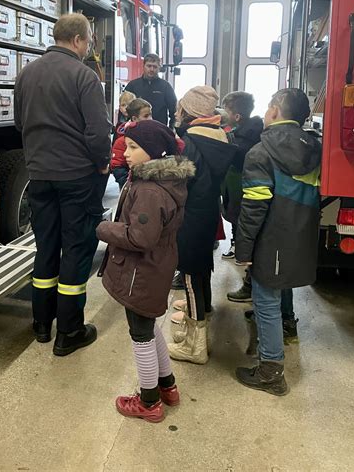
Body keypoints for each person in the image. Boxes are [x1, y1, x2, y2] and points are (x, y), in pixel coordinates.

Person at [14, 13, 111, 356]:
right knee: (76, 250)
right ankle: (69, 332)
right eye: (89, 42)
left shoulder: (25, 74)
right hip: (77, 178)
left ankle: (41, 323)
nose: (88, 48)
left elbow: (18, 121)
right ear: (78, 40)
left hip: (39, 176)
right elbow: (98, 132)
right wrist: (102, 163)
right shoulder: (85, 77)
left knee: (46, 246)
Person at [96, 120, 194, 422]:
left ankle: (149, 402)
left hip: (142, 272)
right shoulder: (154, 181)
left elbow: (141, 237)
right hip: (155, 267)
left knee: (140, 335)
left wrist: (103, 229)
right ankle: (168, 386)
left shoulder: (151, 191)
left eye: (134, 147)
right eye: (127, 145)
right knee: (148, 329)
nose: (125, 151)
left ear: (155, 153)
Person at [235, 88, 321, 395]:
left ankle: (271, 372)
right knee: (281, 284)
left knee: (265, 300)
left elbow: (254, 208)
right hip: (301, 233)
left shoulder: (260, 152)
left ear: (273, 111)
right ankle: (289, 326)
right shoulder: (315, 148)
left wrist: (243, 249)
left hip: (271, 237)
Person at [167, 86, 237, 364]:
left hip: (190, 216)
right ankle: (199, 320)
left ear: (190, 111)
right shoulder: (217, 136)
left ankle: (196, 346)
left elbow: (179, 180)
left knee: (190, 277)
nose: (175, 112)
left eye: (180, 107)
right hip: (206, 212)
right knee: (201, 270)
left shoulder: (189, 141)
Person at [221, 91, 263, 268]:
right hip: (234, 183)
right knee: (233, 212)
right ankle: (235, 243)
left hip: (241, 182)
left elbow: (238, 158)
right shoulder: (239, 132)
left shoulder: (246, 138)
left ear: (237, 116)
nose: (223, 114)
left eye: (226, 111)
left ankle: (242, 248)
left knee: (238, 214)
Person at [125, 53, 177, 127]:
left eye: (155, 67)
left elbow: (174, 112)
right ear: (143, 66)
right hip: (136, 130)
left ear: (159, 68)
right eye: (149, 66)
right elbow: (124, 109)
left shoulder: (166, 87)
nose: (152, 69)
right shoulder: (133, 85)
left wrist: (171, 130)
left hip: (159, 131)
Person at [111, 98, 152, 189]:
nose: (150, 119)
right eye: (146, 116)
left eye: (150, 115)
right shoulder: (122, 141)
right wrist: (127, 181)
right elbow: (117, 165)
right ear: (134, 118)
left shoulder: (153, 136)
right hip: (130, 185)